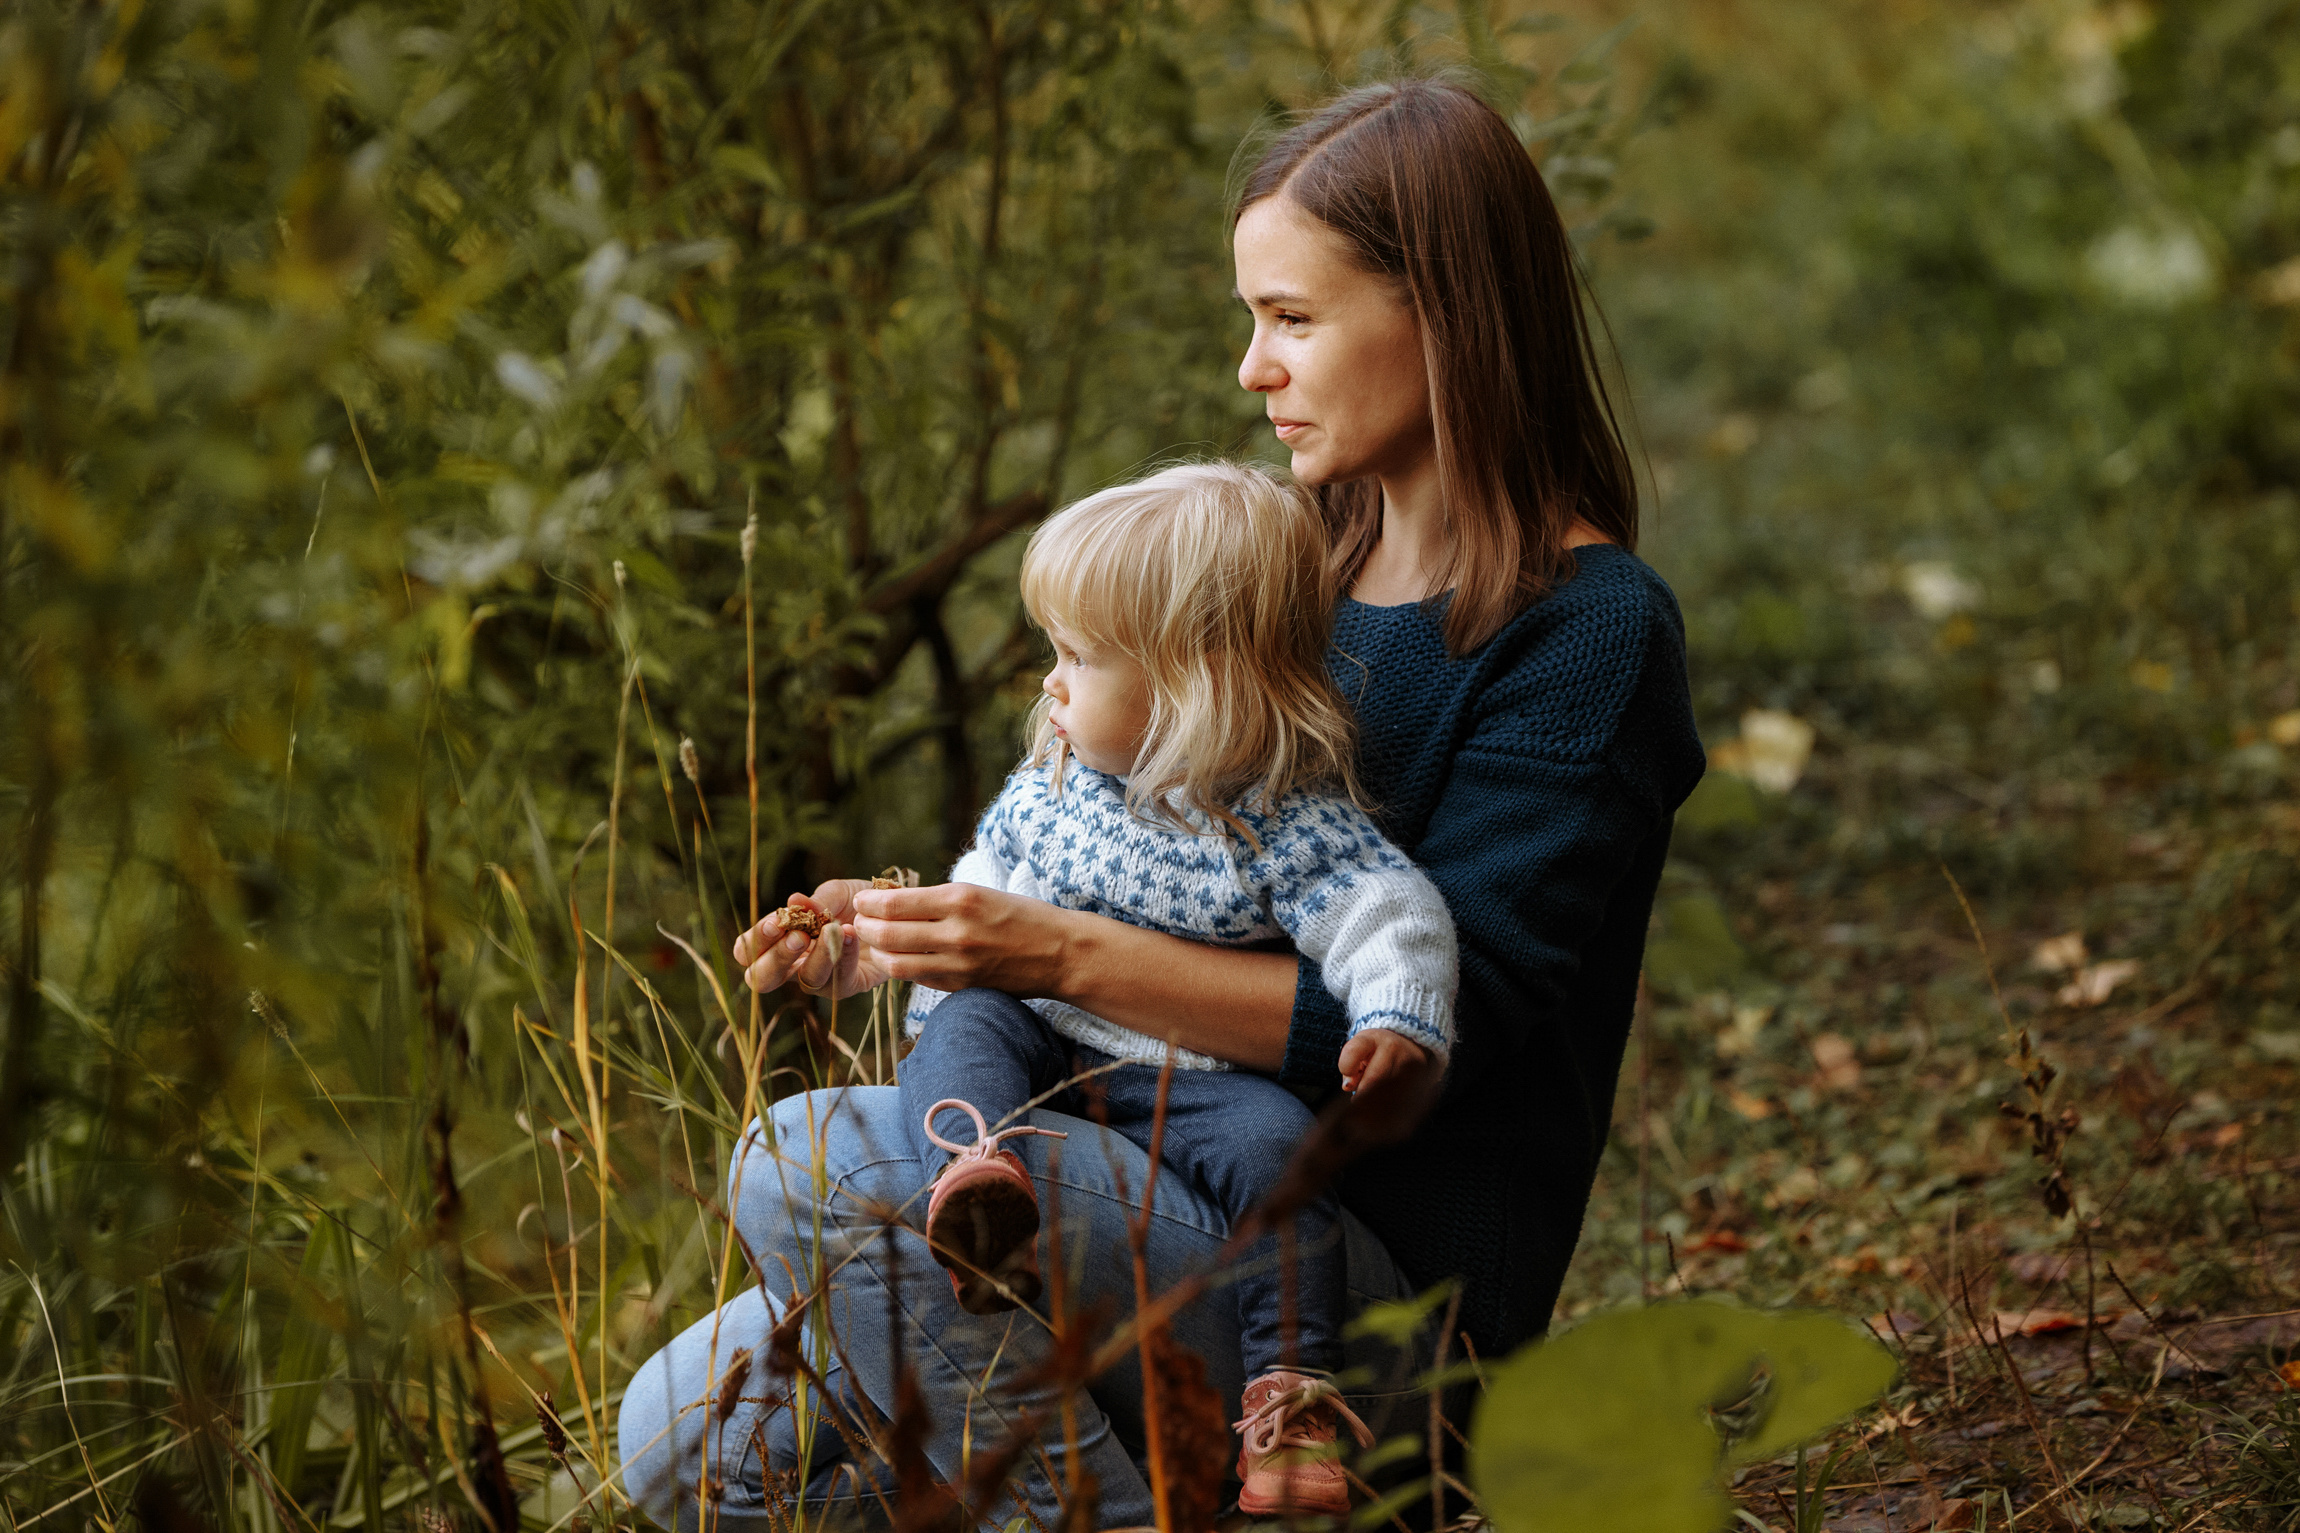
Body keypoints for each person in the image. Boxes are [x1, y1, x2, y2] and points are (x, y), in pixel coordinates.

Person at [618, 77, 1706, 1532]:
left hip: (1352, 1303)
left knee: (813, 1161)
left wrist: (1042, 954)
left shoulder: (1585, 632)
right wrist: (910, 934)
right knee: (684, 1441)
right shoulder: (1282, 569)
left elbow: (1452, 1029)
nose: (1255, 367)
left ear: (1445, 311)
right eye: (1253, 320)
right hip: (1123, 1178)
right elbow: (1098, 829)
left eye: (1293, 318)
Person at [875, 461, 1455, 1516]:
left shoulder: (1284, 819)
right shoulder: (1052, 782)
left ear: (1196, 679)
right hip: (1036, 1039)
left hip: (1186, 1078)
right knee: (965, 1026)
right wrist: (861, 952)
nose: (1048, 684)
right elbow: (979, 895)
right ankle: (973, 1176)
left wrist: (1396, 1019)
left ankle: (1293, 1404)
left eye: (1079, 658)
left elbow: (1389, 912)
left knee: (1277, 1151)